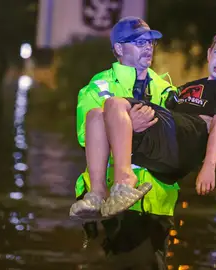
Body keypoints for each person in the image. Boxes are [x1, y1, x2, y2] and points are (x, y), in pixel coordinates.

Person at [70, 29, 216, 219]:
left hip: (182, 143)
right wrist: (129, 123)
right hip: (166, 138)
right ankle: (96, 194)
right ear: (208, 54)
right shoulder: (188, 88)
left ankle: (124, 181)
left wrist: (208, 167)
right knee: (96, 115)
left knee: (114, 103)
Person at [73, 16, 180, 269]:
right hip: (113, 199)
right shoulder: (99, 87)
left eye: (150, 42)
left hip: (157, 201)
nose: (147, 47)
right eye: (139, 42)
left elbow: (173, 140)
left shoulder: (166, 89)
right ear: (119, 48)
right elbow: (85, 137)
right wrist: (130, 125)